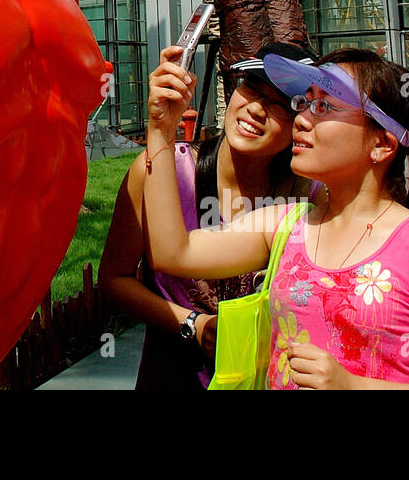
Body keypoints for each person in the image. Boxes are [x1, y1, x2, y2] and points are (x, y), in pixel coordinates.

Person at [143, 44, 409, 389]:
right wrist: (161, 128)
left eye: (324, 107)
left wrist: (353, 385)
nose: (300, 118)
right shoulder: (287, 225)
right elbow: (173, 253)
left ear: (382, 144)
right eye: (305, 103)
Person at [99, 42, 323, 389]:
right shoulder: (164, 170)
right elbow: (114, 281)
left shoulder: (309, 197)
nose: (256, 110)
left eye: (280, 104)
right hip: (173, 374)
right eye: (251, 88)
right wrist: (192, 323)